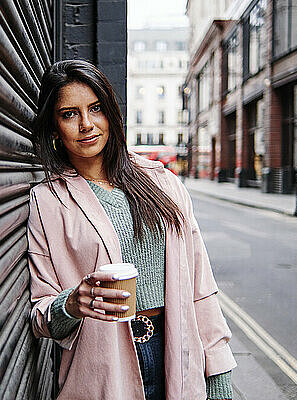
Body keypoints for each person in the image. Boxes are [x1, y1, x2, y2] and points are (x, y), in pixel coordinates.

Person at [27, 59, 236, 400]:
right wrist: (72, 304)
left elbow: (201, 286)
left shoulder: (162, 183)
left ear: (111, 113)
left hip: (173, 352)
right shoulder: (49, 201)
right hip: (102, 369)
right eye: (69, 114)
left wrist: (218, 372)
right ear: (54, 130)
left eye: (96, 108)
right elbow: (41, 316)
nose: (86, 124)